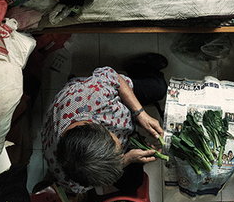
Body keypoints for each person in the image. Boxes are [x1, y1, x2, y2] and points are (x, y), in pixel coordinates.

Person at [42, 55, 168, 194]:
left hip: (105, 96)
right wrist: (127, 159)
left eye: (117, 146)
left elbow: (114, 77)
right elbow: (83, 186)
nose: (121, 147)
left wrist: (140, 113)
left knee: (159, 88)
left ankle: (139, 66)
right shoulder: (67, 173)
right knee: (133, 182)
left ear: (98, 125)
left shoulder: (92, 96)